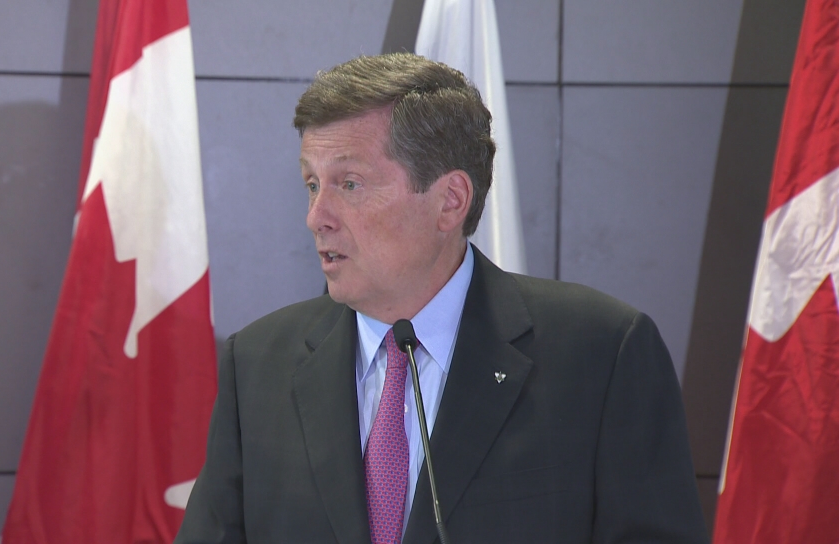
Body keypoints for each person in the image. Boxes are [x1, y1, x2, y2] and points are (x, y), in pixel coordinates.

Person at [174, 53, 707, 544]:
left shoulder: (602, 354)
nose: (316, 216)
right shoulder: (259, 362)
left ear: (450, 200)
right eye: (313, 184)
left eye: (350, 184)